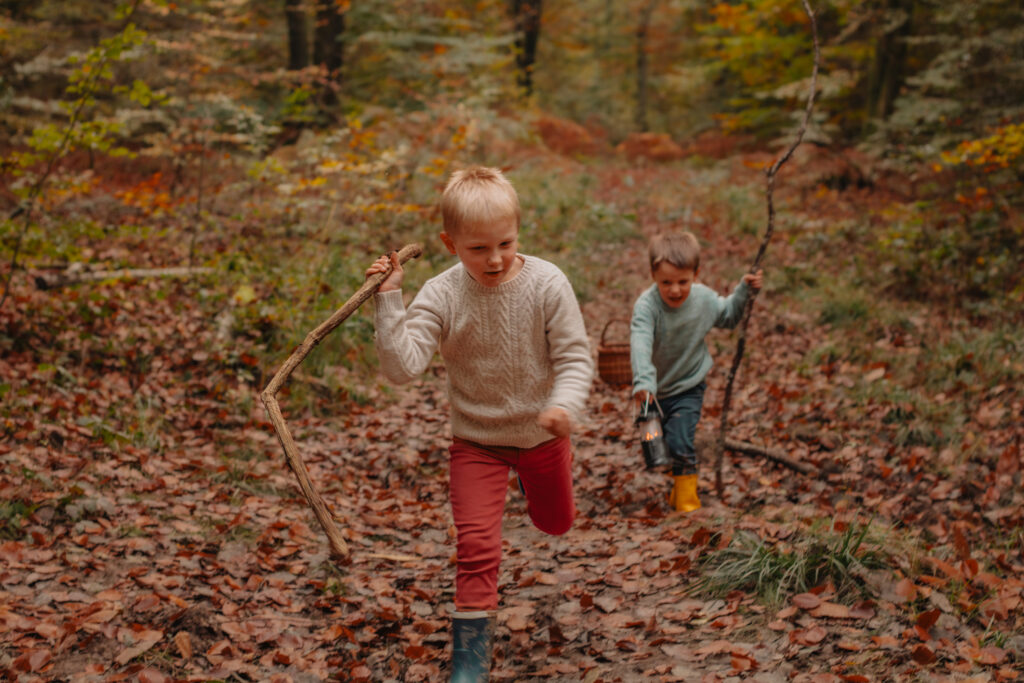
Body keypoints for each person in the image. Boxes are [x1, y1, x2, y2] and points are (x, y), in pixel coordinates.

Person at [365, 166, 593, 682]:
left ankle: (548, 497)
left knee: (555, 522)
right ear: (450, 243)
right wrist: (389, 297)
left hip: (542, 436)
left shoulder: (547, 282)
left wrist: (564, 406)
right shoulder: (442, 294)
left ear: (518, 231)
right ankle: (470, 664)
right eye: (477, 249)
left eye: (505, 243)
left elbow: (576, 357)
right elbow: (402, 369)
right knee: (476, 546)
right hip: (476, 442)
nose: (494, 259)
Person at [630, 231, 763, 512]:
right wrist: (644, 383)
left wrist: (744, 292)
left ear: (696, 274)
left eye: (683, 281)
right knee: (658, 444)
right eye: (666, 282)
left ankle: (687, 505)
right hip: (654, 392)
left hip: (689, 386)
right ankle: (677, 488)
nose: (675, 290)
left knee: (680, 438)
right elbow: (640, 342)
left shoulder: (703, 299)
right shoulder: (647, 306)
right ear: (653, 275)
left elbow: (728, 316)